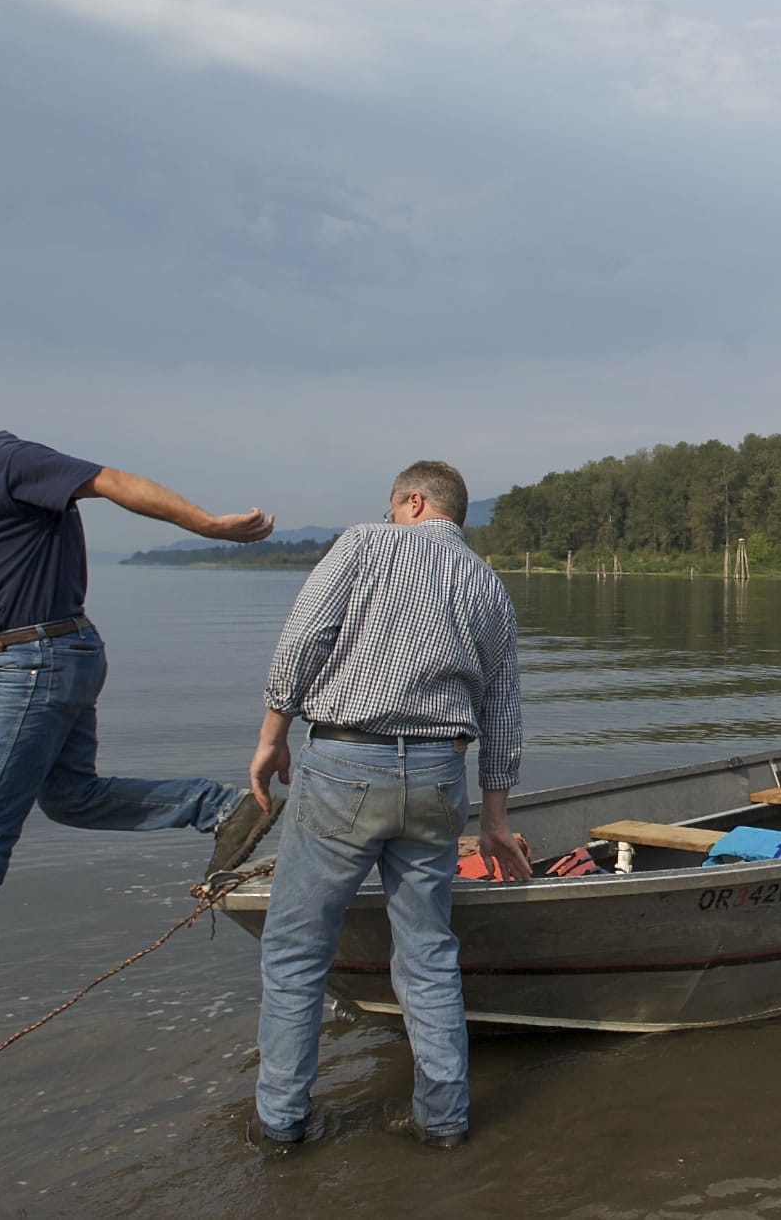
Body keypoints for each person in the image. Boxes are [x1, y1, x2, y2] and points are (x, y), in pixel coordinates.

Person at [0, 374, 285, 1062]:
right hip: (52, 650)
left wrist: (212, 526)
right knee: (72, 797)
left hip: (39, 661)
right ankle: (221, 808)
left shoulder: (10, 459)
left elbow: (110, 479)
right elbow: (9, 570)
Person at [247, 459, 528, 1150]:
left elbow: (302, 640)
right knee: (428, 953)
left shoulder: (364, 543)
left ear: (410, 501)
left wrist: (271, 739)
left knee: (295, 953)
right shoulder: (488, 585)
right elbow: (505, 714)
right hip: (439, 774)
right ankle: (444, 1123)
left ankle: (281, 1126)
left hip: (346, 761)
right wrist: (492, 822)